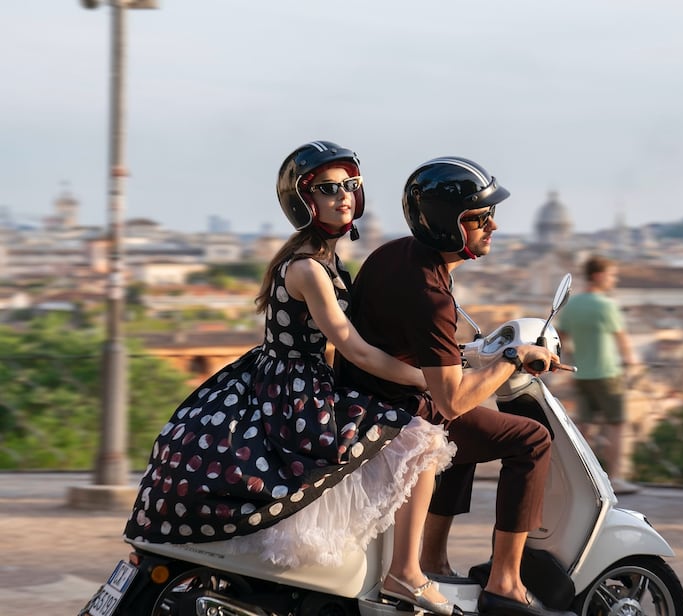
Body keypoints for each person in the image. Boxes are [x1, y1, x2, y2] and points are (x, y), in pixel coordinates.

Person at [124, 141, 460, 616]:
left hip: (289, 381)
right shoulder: (308, 268)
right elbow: (354, 347)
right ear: (305, 201)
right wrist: (427, 379)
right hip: (296, 391)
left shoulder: (321, 259)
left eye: (350, 186)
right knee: (420, 440)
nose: (343, 196)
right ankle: (406, 573)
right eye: (328, 189)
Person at [339, 156, 576, 616]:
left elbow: (409, 344)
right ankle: (506, 582)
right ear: (450, 226)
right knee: (529, 439)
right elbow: (449, 400)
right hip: (393, 414)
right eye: (480, 218)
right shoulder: (430, 293)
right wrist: (512, 358)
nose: (494, 226)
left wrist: (470, 355)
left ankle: (433, 557)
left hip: (366, 399)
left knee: (473, 431)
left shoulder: (395, 254)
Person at [556, 254, 640, 495]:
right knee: (616, 425)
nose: (615, 280)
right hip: (607, 373)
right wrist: (632, 362)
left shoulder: (571, 305)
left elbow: (560, 339)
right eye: (612, 275)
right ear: (599, 276)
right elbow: (622, 341)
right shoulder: (607, 306)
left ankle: (579, 477)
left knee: (584, 427)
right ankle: (615, 478)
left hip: (581, 374)